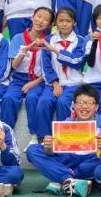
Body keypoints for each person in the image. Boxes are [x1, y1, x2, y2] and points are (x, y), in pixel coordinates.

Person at [26, 84, 101, 197]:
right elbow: (51, 152)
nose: (84, 106)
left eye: (89, 103)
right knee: (32, 150)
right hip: (69, 160)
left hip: (90, 161)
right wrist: (49, 147)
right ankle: (69, 179)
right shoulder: (67, 122)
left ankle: (64, 178)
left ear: (96, 107)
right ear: (74, 105)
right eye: (80, 103)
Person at [3, 7, 55, 136]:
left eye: (46, 19)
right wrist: (25, 51)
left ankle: (34, 135)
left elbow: (50, 68)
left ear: (50, 25)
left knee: (32, 98)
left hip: (39, 79)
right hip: (18, 78)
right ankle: (5, 134)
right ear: (32, 17)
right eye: (39, 16)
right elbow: (13, 66)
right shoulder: (18, 38)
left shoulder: (49, 41)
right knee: (8, 98)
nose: (41, 21)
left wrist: (34, 83)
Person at [37, 8, 87, 141]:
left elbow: (77, 62)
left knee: (63, 102)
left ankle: (64, 139)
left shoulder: (80, 40)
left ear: (74, 23)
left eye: (68, 21)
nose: (64, 24)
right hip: (53, 83)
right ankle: (44, 138)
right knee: (44, 102)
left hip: (74, 83)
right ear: (55, 23)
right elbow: (46, 66)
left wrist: (55, 50)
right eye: (61, 21)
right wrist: (55, 83)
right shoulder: (49, 39)